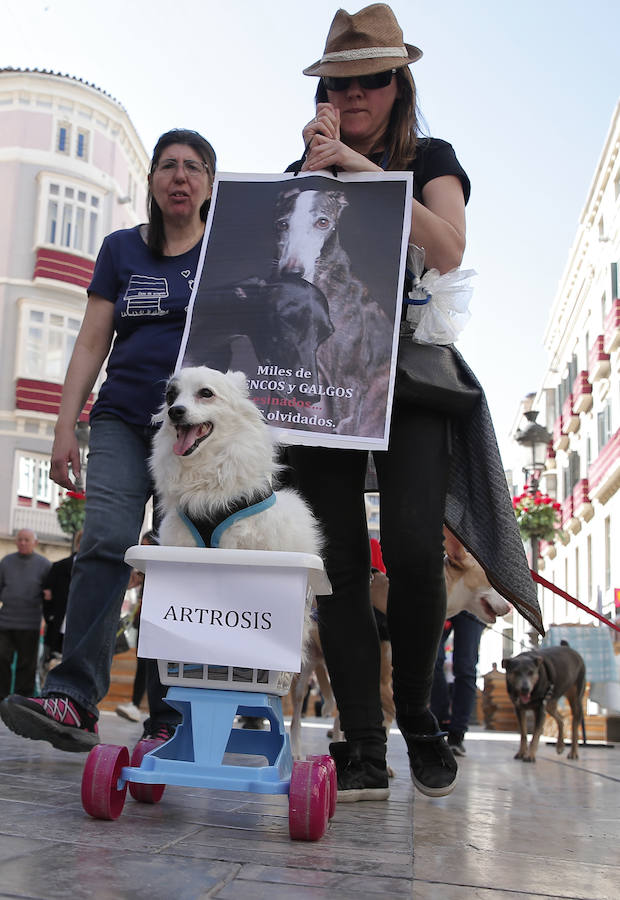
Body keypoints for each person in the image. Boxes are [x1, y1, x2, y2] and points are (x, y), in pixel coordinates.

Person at [285, 4, 542, 801]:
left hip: (412, 375)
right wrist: (311, 172)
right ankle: (364, 738)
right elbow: (283, 265)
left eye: (370, 79)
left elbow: (449, 245)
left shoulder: (430, 154)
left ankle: (421, 718)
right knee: (338, 568)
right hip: (323, 381)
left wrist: (357, 171)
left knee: (410, 547)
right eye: (340, 80)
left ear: (398, 84)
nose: (355, 93)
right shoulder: (305, 169)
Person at [0, 129, 216, 752]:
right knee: (105, 541)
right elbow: (92, 340)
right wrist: (64, 426)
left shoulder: (223, 254)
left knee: (181, 559)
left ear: (208, 184)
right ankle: (74, 695)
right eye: (168, 165)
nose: (180, 176)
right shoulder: (122, 249)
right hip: (123, 418)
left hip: (196, 431)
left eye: (193, 167)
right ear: (151, 181)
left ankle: (171, 713)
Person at [0, 530, 51, 701]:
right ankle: (1, 698)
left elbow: (48, 593)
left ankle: (22, 701)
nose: (22, 543)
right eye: (20, 539)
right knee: (1, 659)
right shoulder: (6, 562)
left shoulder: (44, 565)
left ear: (35, 543)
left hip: (30, 622)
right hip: (5, 621)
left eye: (26, 540)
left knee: (26, 665)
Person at [430, 611, 486, 756]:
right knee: (432, 661)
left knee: (466, 667)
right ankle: (440, 723)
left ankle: (457, 733)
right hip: (445, 597)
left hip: (473, 601)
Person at [115, 530, 156, 723]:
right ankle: (135, 704)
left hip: (155, 620)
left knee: (149, 666)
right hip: (144, 619)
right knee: (143, 665)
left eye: (146, 546)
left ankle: (143, 707)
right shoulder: (143, 573)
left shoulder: (156, 572)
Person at [41, 529, 82, 672]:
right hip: (58, 627)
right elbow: (47, 594)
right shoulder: (59, 566)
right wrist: (50, 617)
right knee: (51, 666)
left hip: (81, 631)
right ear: (78, 544)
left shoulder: (97, 573)